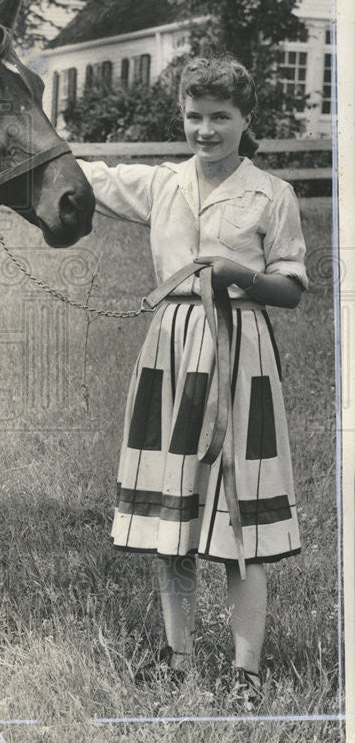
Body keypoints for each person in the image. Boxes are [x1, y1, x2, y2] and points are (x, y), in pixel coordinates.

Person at [78, 56, 308, 707]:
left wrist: (239, 274)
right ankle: (177, 657)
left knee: (240, 523)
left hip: (239, 354)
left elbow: (290, 289)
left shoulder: (272, 194)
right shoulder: (163, 184)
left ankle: (246, 670)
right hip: (171, 354)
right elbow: (84, 177)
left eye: (220, 117)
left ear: (245, 118)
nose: (205, 130)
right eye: (194, 115)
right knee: (171, 522)